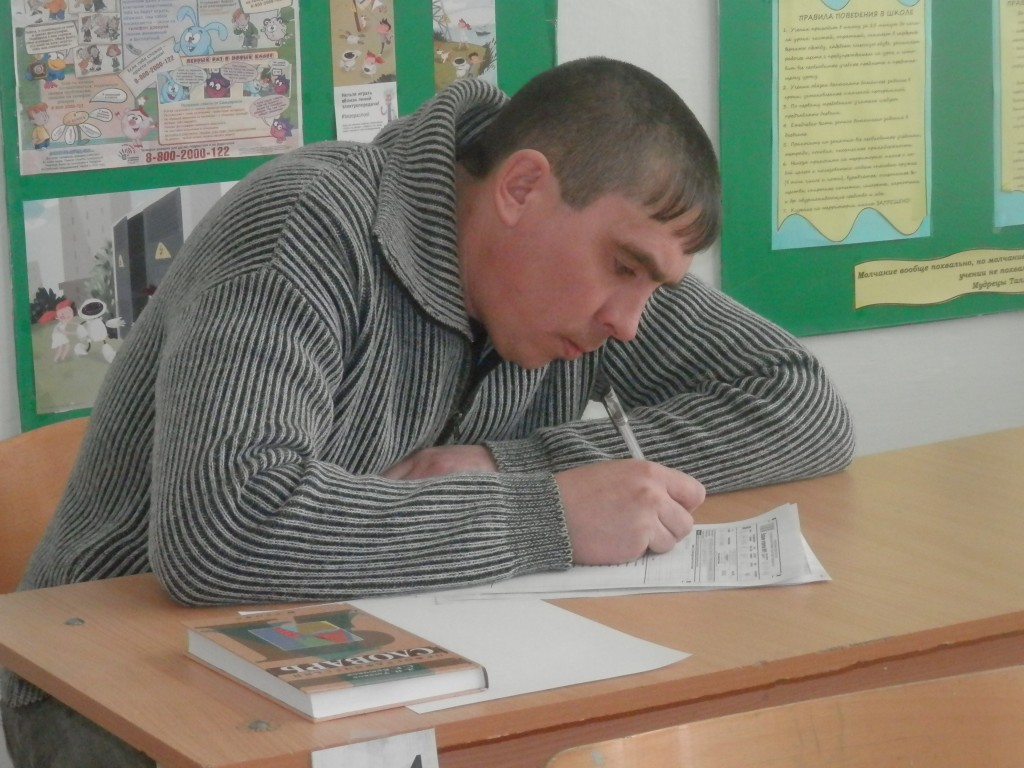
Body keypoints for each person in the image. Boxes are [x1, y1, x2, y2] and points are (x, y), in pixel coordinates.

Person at [1, 57, 854, 766]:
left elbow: (801, 403)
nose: (629, 322)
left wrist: (513, 464)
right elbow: (226, 531)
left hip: (377, 672)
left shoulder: (581, 287)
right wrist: (551, 514)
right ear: (523, 187)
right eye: (625, 268)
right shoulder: (305, 226)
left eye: (654, 285)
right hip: (117, 691)